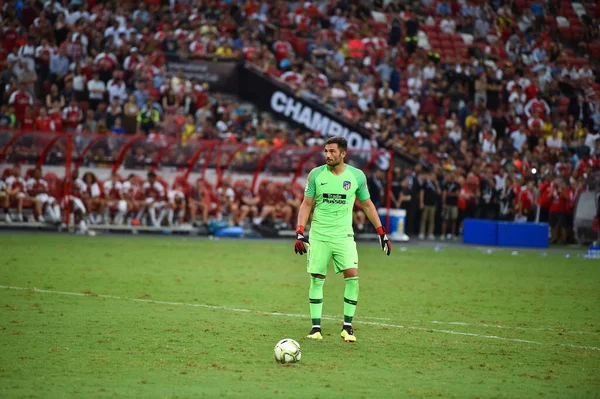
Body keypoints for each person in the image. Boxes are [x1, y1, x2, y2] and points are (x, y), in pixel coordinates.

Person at [294, 136, 391, 343]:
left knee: (353, 277)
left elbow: (367, 205)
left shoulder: (357, 176)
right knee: (317, 278)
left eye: (332, 152)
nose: (327, 155)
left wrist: (381, 232)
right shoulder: (316, 174)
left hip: (344, 236)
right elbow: (306, 204)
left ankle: (347, 327)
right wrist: (300, 231)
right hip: (319, 236)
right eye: (326, 151)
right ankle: (315, 328)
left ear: (343, 154)